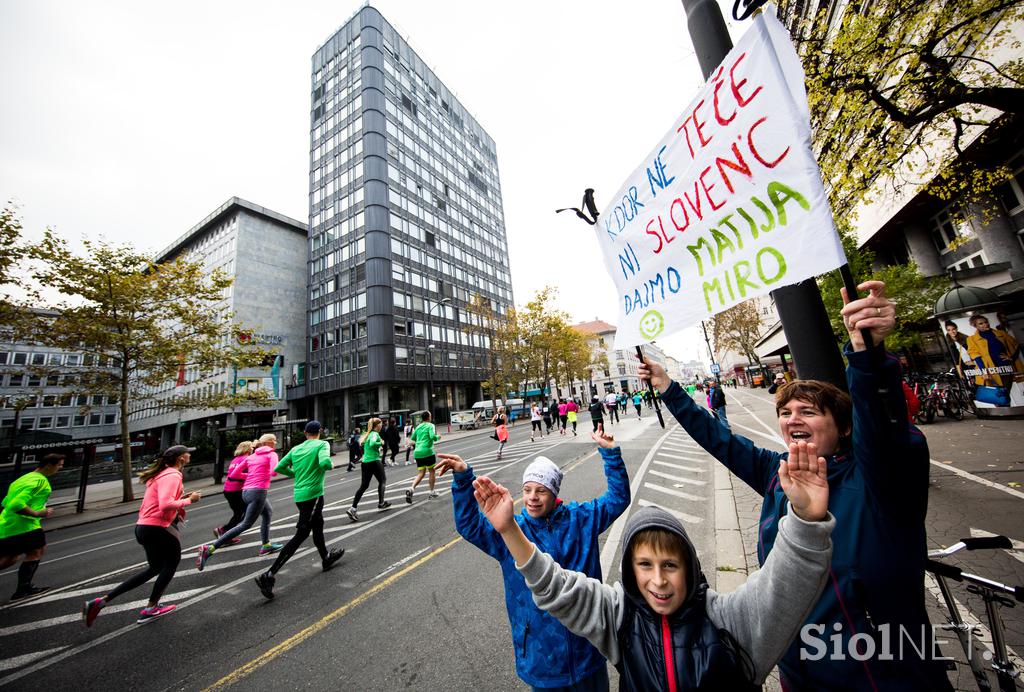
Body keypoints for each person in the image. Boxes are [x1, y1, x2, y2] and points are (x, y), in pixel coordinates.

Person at [638, 280, 953, 691]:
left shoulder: (878, 479)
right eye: (785, 412)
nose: (792, 419)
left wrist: (868, 355)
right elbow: (720, 440)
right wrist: (667, 386)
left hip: (880, 673)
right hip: (800, 668)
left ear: (842, 427)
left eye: (809, 411)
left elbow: (885, 428)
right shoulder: (777, 473)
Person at [474, 440, 835, 690]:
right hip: (541, 663)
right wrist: (507, 527)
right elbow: (554, 586)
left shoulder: (730, 623)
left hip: (584, 661)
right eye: (644, 565)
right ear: (631, 571)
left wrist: (805, 521)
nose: (658, 581)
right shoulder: (619, 619)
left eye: (671, 565)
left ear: (691, 568)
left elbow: (786, 589)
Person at [434, 426, 630, 690]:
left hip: (587, 651)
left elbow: (618, 498)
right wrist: (462, 479)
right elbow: (470, 526)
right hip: (542, 660)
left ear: (554, 493)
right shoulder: (511, 531)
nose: (532, 498)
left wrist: (610, 454)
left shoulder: (581, 518)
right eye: (527, 490)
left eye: (541, 490)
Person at [83, 446, 200, 625]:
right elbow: (165, 504)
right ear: (181, 458)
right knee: (171, 564)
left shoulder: (161, 474)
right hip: (158, 528)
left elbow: (160, 500)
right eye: (187, 452)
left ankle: (101, 602)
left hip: (144, 526)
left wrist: (182, 497)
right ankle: (151, 608)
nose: (190, 454)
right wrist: (189, 500)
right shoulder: (173, 475)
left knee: (154, 568)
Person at [255, 421, 344, 600]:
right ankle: (270, 574)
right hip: (314, 495)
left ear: (305, 433)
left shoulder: (296, 449)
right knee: (302, 533)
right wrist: (328, 466)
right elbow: (325, 462)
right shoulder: (322, 444)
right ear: (319, 431)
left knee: (318, 525)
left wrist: (296, 474)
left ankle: (326, 558)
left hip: (299, 495)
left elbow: (279, 467)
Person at [197, 434, 282, 570]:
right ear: (270, 443)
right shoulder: (271, 455)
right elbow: (274, 472)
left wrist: (250, 475)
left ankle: (266, 545)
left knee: (267, 513)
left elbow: (234, 474)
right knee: (246, 524)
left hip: (245, 491)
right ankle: (210, 548)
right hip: (258, 491)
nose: (276, 444)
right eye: (275, 442)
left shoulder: (251, 456)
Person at [0, 454, 63, 601]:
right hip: (25, 525)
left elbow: (5, 503)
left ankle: (24, 588)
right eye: (59, 465)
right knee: (37, 551)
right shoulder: (39, 481)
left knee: (10, 558)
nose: (60, 468)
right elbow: (16, 504)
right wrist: (38, 513)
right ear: (48, 465)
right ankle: (23, 589)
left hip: (8, 524)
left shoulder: (23, 479)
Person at [346, 417, 391, 522]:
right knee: (382, 481)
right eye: (380, 424)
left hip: (365, 462)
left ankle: (353, 508)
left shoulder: (368, 434)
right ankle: (381, 503)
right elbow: (372, 444)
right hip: (374, 461)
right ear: (377, 425)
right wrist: (382, 443)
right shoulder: (375, 434)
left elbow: (365, 445)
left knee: (364, 486)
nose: (382, 426)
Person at [966, 312, 1022, 394]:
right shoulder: (972, 339)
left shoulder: (1001, 334)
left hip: (1005, 368)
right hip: (990, 371)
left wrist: (1012, 357)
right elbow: (976, 356)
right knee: (996, 396)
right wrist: (984, 372)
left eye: (986, 322)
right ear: (975, 326)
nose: (985, 324)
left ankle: (1005, 406)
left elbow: (1016, 345)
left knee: (1005, 394)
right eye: (981, 324)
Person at [214, 440, 251, 544]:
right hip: (237, 490)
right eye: (251, 448)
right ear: (248, 449)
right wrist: (250, 476)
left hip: (228, 490)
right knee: (242, 513)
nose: (252, 449)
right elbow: (237, 475)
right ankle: (224, 531)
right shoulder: (246, 459)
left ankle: (226, 533)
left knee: (238, 513)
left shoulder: (235, 460)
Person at [405, 411, 441, 503]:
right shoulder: (430, 425)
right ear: (429, 417)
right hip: (428, 451)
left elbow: (412, 439)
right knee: (432, 471)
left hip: (417, 452)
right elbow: (432, 437)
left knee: (421, 473)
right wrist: (438, 437)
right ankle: (432, 492)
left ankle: (411, 489)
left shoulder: (418, 427)